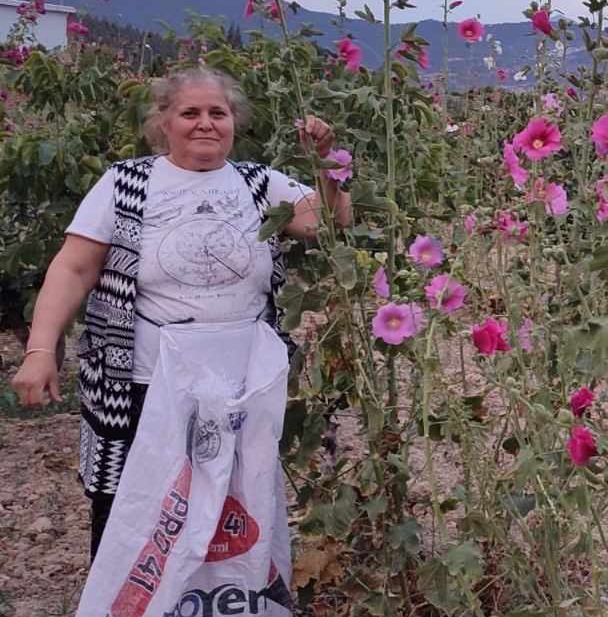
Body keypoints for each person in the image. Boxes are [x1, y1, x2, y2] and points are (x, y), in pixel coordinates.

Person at [7, 64, 352, 559]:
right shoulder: (125, 184)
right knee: (140, 505)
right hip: (147, 382)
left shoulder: (259, 184)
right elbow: (73, 269)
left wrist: (326, 164)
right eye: (190, 112)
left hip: (239, 381)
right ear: (163, 123)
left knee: (233, 504)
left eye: (219, 112)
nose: (206, 123)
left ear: (234, 122)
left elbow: (329, 224)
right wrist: (41, 349)